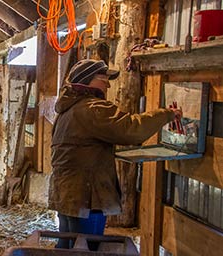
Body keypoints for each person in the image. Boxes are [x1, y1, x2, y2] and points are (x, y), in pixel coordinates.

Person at [48, 59, 182, 249]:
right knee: (87, 249)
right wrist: (166, 114)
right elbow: (131, 129)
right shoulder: (93, 109)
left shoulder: (67, 110)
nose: (108, 84)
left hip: (67, 196)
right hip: (87, 197)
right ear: (88, 81)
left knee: (67, 246)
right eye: (103, 78)